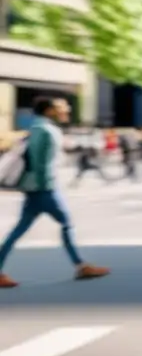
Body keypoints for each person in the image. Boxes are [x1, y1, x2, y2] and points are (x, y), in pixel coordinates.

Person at [0, 97, 109, 288]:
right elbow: (40, 163)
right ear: (50, 110)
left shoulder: (38, 127)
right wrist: (46, 187)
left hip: (37, 188)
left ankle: (81, 265)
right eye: (62, 108)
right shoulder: (45, 130)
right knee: (66, 222)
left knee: (19, 230)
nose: (66, 110)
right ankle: (81, 266)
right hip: (44, 188)